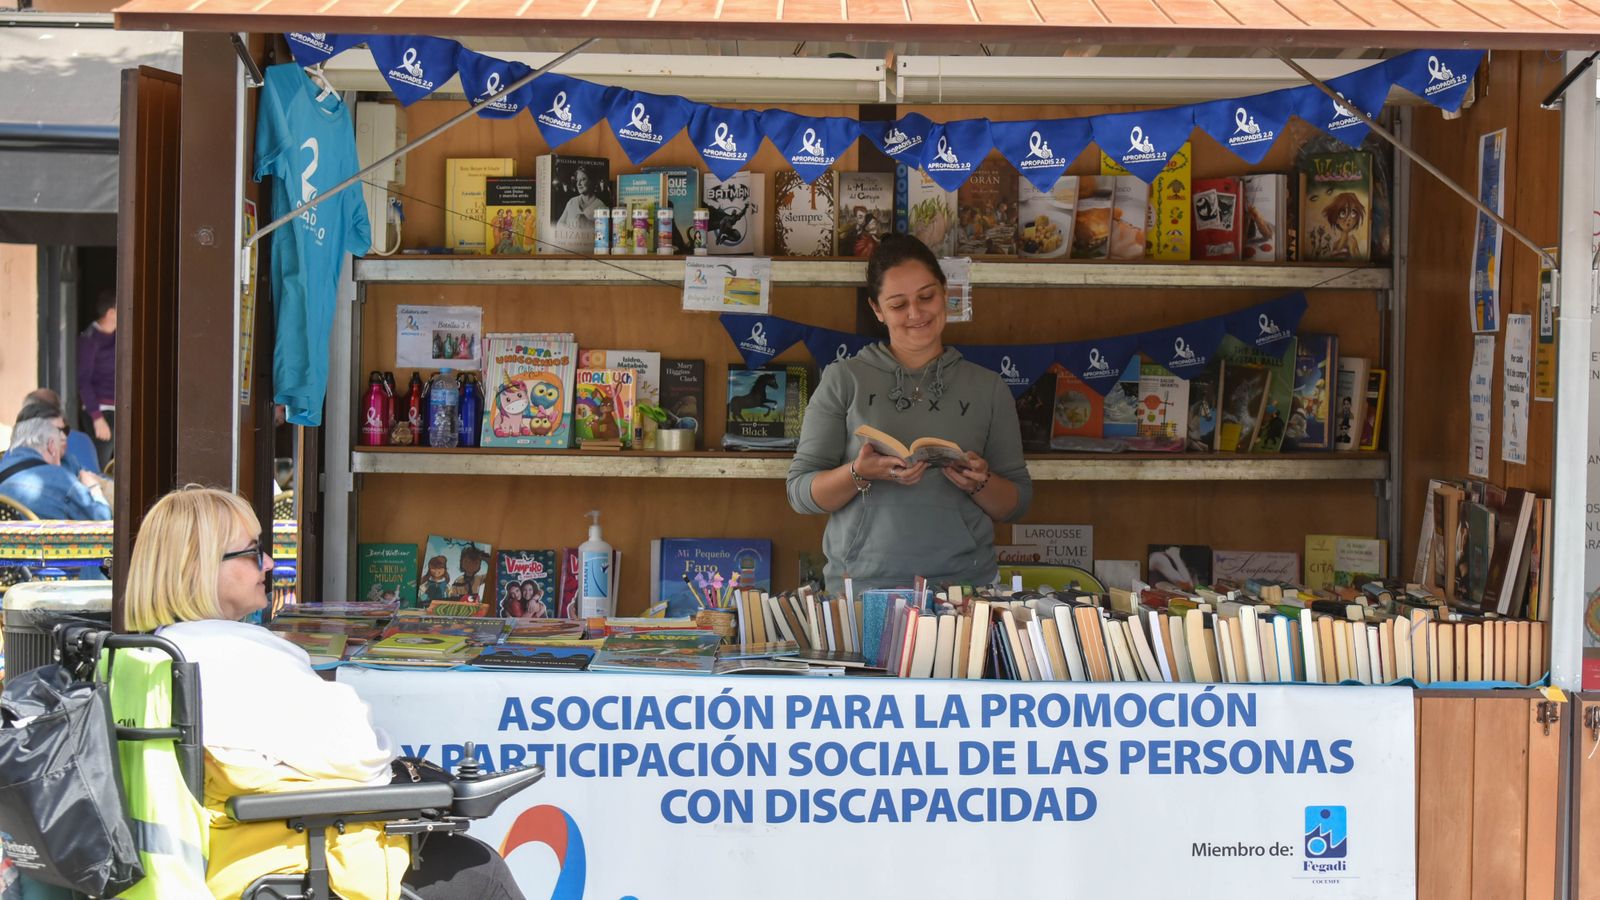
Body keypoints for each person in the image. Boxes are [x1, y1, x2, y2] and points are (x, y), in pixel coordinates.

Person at [122, 487, 525, 900]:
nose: (269, 562)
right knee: (480, 869)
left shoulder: (141, 658)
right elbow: (364, 759)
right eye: (251, 552)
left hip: (205, 865)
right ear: (198, 567)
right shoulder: (237, 654)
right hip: (280, 862)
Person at [786, 234, 1031, 591]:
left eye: (926, 297)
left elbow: (1017, 503)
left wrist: (980, 482)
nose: (916, 314)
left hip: (966, 592)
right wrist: (859, 473)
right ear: (877, 310)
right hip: (862, 589)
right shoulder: (843, 380)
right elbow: (800, 493)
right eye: (899, 305)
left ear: (945, 293)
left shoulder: (989, 387)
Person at [0, 410, 111, 520]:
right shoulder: (62, 479)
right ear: (51, 446)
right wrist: (94, 487)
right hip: (46, 538)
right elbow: (102, 518)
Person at [76, 289, 117, 469]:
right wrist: (97, 418)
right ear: (111, 313)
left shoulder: (120, 336)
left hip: (119, 408)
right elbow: (83, 381)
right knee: (101, 465)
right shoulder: (90, 340)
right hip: (101, 412)